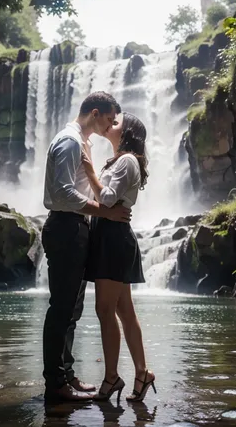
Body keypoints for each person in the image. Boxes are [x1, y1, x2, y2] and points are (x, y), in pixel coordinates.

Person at [42, 91, 132, 403]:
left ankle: (65, 375)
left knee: (72, 311)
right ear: (95, 113)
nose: (112, 125)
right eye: (109, 119)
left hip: (75, 228)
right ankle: (55, 383)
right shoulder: (70, 141)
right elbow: (65, 193)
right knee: (61, 309)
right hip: (66, 227)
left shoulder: (84, 143)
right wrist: (105, 211)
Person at [81, 112, 156, 403]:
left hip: (113, 238)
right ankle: (143, 373)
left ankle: (112, 378)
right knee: (125, 311)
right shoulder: (120, 160)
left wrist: (88, 171)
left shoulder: (126, 161)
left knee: (104, 309)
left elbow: (107, 199)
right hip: (111, 236)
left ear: (128, 132)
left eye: (117, 121)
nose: (111, 122)